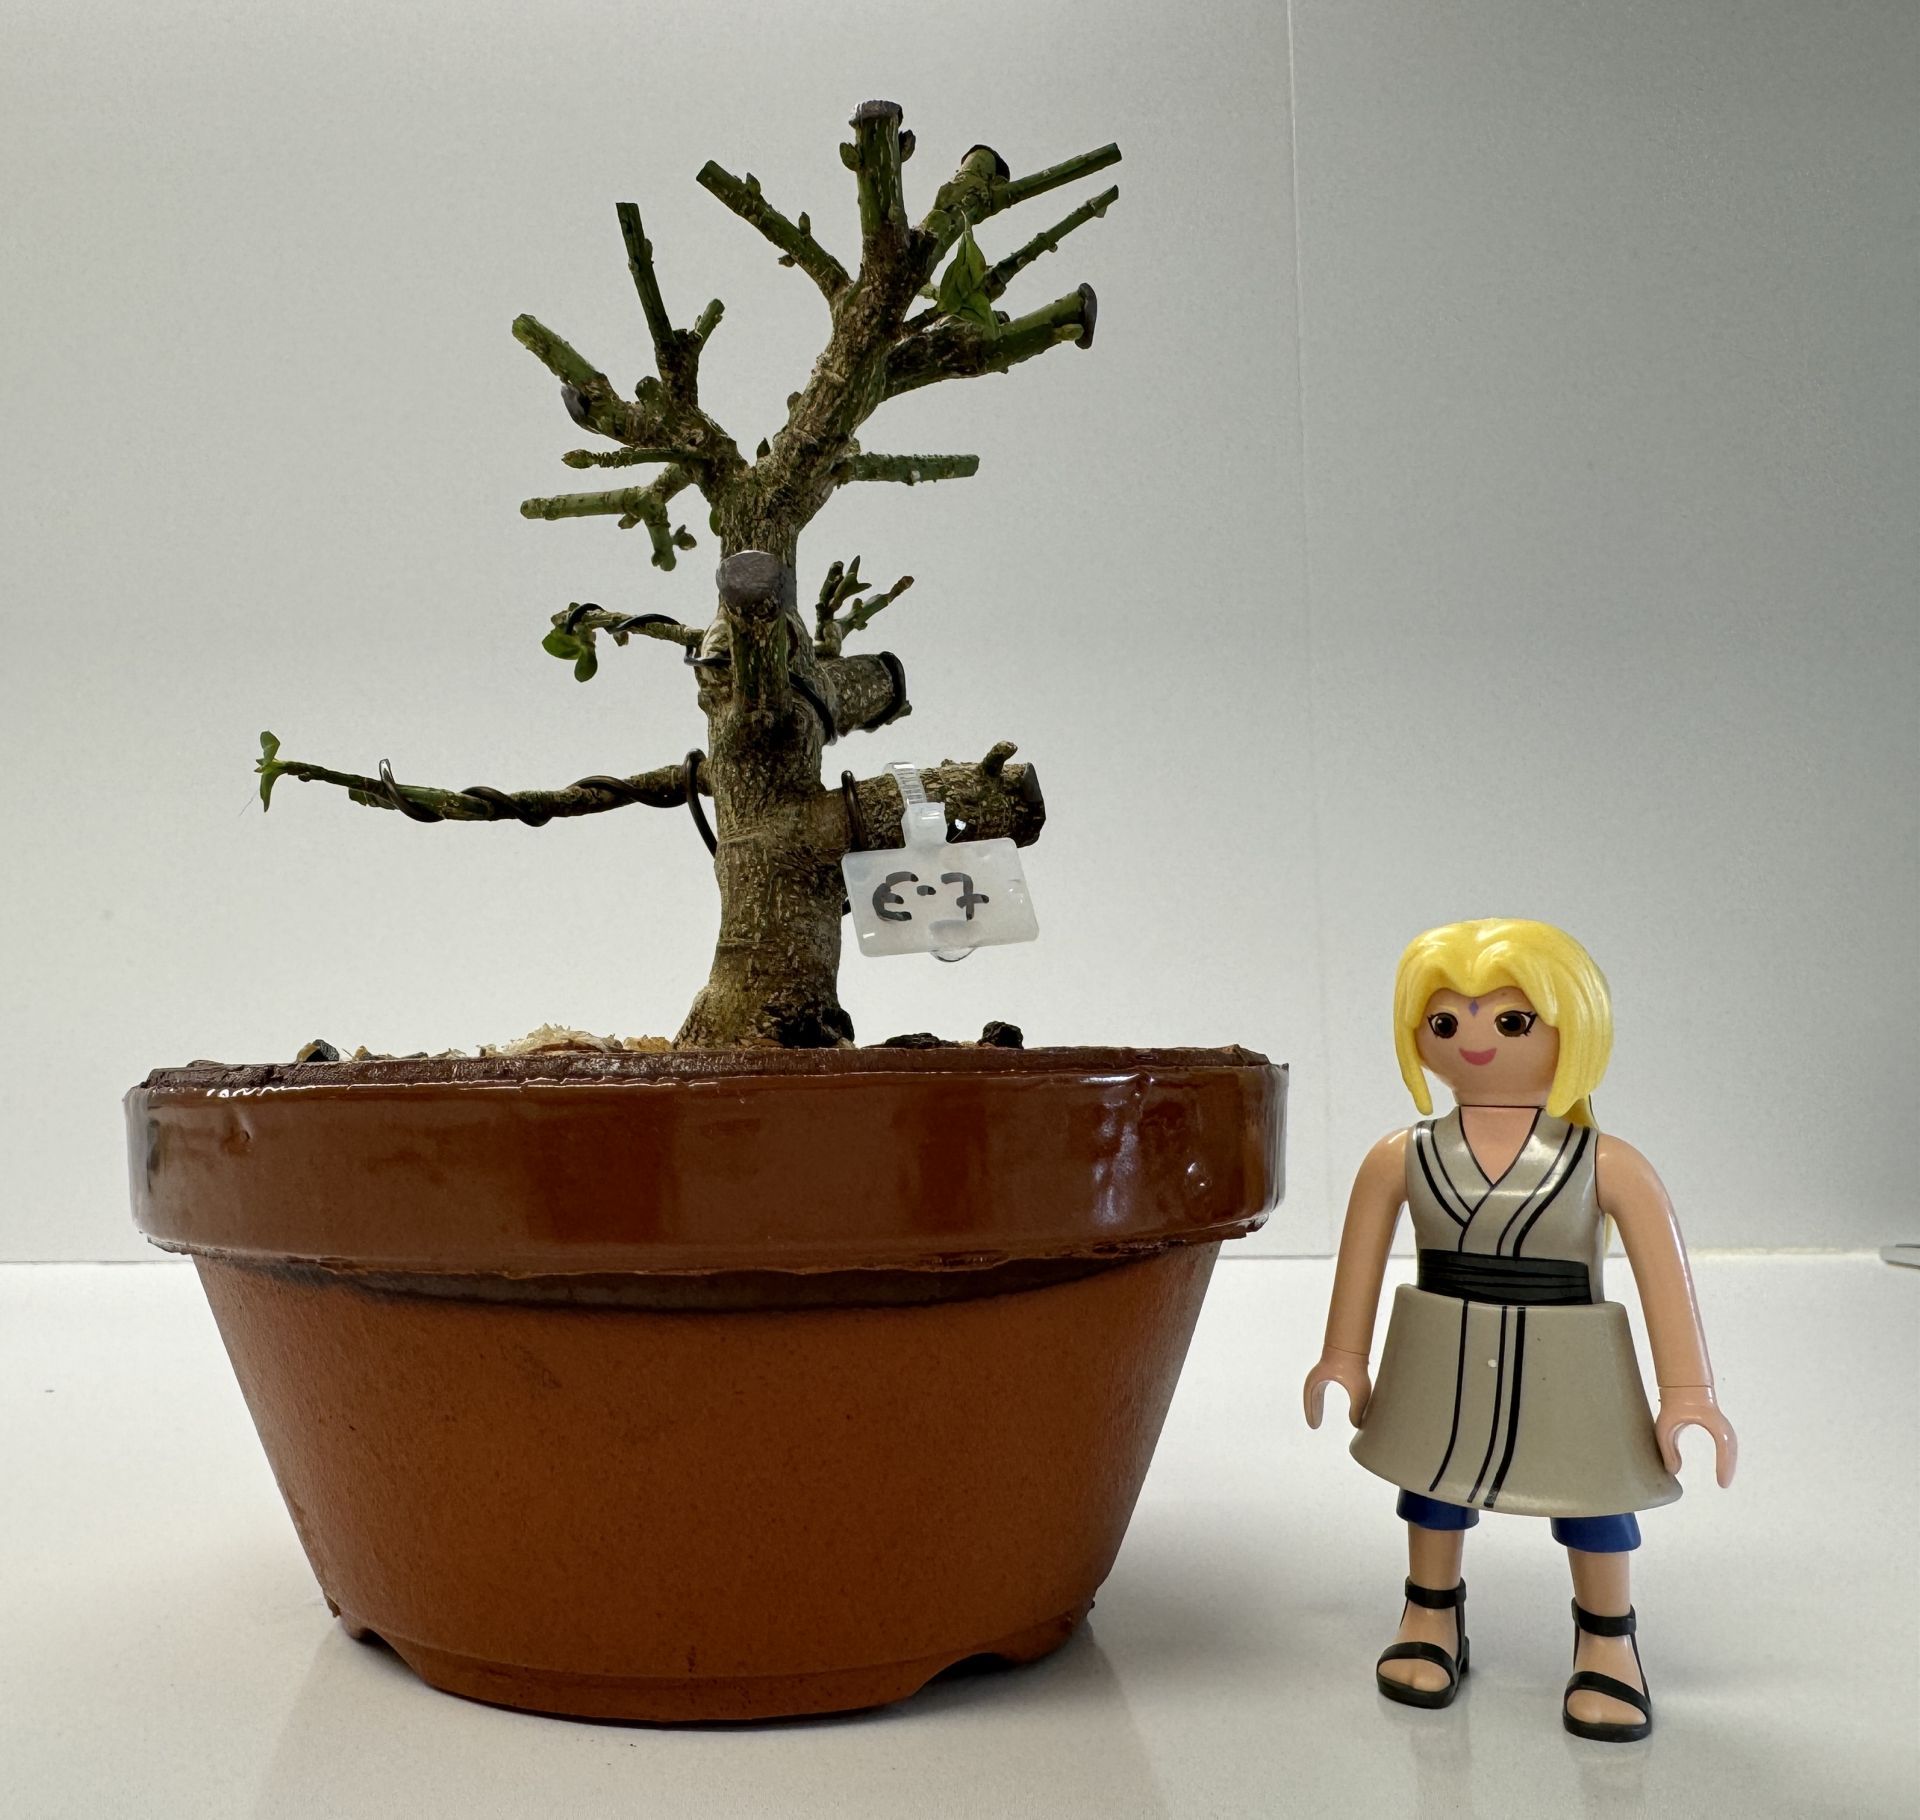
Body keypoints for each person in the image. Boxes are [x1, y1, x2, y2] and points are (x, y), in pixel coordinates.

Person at [1302, 918, 1736, 1742]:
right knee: (1431, 1483)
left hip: (1570, 1354)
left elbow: (1664, 1281)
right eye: (1444, 1020)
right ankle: (1430, 1613)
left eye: (1510, 1020)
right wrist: (1344, 1357)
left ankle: (1608, 1640)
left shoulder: (1606, 1163)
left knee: (1595, 1496)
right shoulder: (1401, 1156)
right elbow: (1359, 1260)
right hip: (1441, 1344)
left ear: (1574, 1027)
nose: (1474, 1040)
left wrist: (1688, 1393)